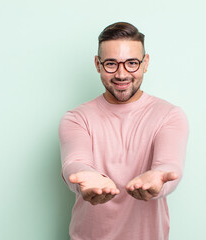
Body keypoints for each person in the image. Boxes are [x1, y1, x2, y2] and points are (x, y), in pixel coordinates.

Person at [59, 22, 189, 240]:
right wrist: (86, 179)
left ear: (145, 63)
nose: (121, 74)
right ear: (97, 64)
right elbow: (74, 161)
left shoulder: (169, 115)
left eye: (131, 63)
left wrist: (159, 181)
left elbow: (169, 166)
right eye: (111, 63)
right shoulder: (76, 118)